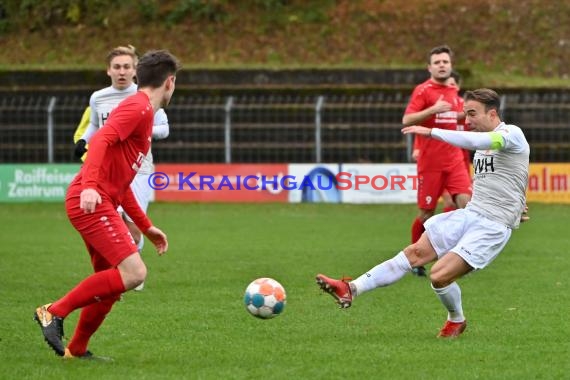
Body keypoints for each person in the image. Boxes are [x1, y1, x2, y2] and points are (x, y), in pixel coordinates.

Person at [317, 88, 529, 338]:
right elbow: (506, 176)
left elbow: (483, 143)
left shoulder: (510, 134)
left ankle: (456, 320)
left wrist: (431, 132)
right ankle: (350, 288)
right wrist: (516, 202)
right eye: (465, 114)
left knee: (438, 276)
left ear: (492, 113)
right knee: (414, 253)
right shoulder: (482, 143)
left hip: (491, 226)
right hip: (471, 214)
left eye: (472, 114)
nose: (467, 120)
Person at [34, 50, 180, 358]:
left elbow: (122, 184)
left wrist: (147, 227)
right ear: (170, 82)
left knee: (112, 287)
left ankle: (76, 349)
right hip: (90, 201)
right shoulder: (138, 108)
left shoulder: (144, 113)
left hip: (98, 199)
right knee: (135, 273)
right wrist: (89, 186)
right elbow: (98, 140)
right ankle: (53, 311)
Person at [74, 45, 170, 290]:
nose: (122, 72)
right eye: (117, 67)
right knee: (116, 219)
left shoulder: (144, 98)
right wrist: (84, 140)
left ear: (136, 71)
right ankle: (125, 273)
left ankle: (130, 272)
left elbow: (164, 128)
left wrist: (136, 130)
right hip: (111, 170)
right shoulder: (98, 97)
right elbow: (97, 129)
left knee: (132, 223)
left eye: (127, 67)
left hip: (140, 169)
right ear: (108, 70)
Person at [403, 45, 472, 277]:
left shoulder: (454, 94)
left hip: (455, 161)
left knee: (467, 205)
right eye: (437, 62)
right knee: (426, 213)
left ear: (451, 65)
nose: (442, 65)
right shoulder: (423, 91)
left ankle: (464, 259)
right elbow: (407, 119)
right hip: (431, 163)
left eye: (445, 61)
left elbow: (454, 118)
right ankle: (416, 258)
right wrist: (432, 109)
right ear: (429, 67)